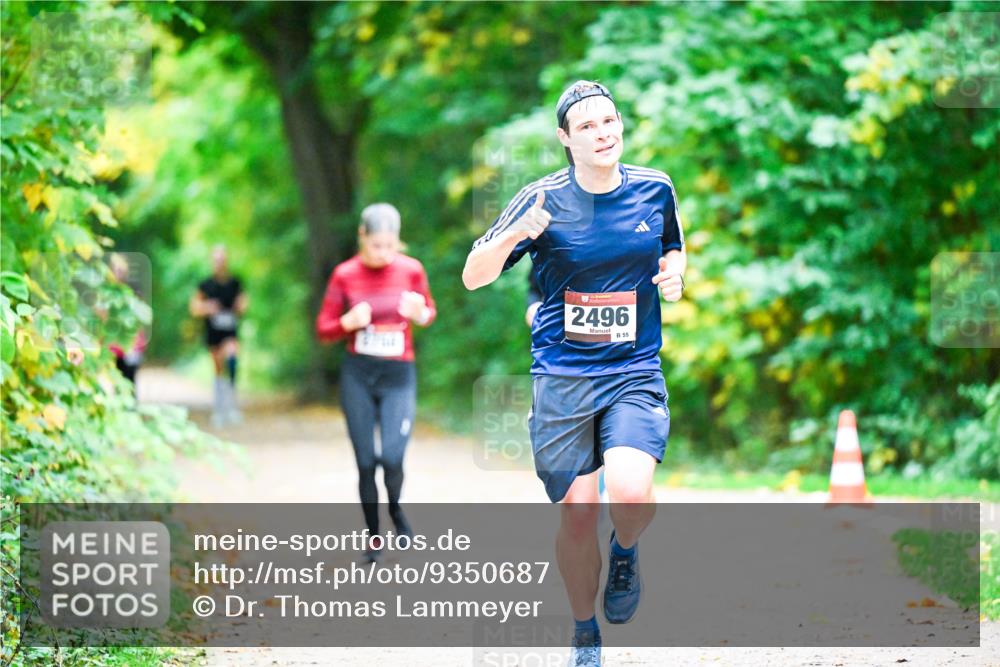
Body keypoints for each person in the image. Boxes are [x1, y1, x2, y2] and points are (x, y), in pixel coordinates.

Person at [463, 81, 686, 666]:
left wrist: (675, 276)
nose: (603, 132)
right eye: (587, 126)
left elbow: (672, 247)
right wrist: (514, 234)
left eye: (609, 121)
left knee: (632, 497)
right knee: (578, 513)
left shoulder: (654, 188)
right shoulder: (541, 199)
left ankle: (628, 550)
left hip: (633, 368)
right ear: (565, 138)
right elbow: (473, 274)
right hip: (564, 377)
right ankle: (585, 631)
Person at [316, 203, 436, 563]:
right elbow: (323, 329)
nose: (384, 254)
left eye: (390, 246)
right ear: (361, 237)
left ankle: (396, 511)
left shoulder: (411, 270)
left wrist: (420, 314)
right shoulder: (344, 275)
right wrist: (348, 322)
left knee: (392, 457)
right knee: (366, 461)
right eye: (376, 246)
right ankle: (373, 536)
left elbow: (428, 311)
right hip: (358, 376)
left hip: (398, 375)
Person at [189, 245, 247, 428]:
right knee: (218, 368)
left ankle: (231, 405)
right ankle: (219, 408)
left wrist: (240, 306)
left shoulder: (235, 282)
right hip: (213, 331)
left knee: (232, 359)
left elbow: (244, 303)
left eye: (222, 259)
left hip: (230, 330)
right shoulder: (205, 285)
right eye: (216, 260)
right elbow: (194, 308)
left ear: (226, 261)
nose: (219, 263)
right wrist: (208, 307)